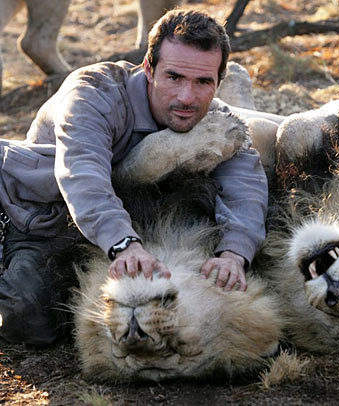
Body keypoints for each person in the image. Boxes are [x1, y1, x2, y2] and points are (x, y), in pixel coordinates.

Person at [0, 9, 268, 346]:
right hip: (37, 216)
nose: (187, 97)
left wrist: (235, 253)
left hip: (114, 227)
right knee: (27, 316)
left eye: (203, 82)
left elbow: (246, 181)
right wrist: (124, 245)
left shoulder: (213, 115)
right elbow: (83, 173)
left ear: (219, 80)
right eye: (174, 77)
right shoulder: (92, 92)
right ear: (148, 67)